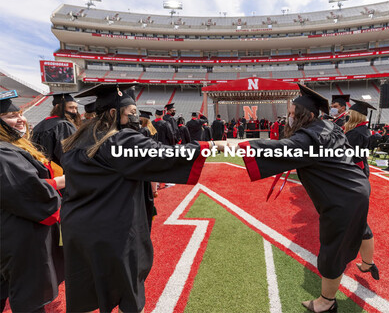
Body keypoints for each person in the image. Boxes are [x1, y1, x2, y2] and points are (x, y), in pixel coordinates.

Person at [61, 84, 223, 313]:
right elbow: (167, 155)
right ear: (113, 113)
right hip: (113, 227)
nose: (135, 117)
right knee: (129, 289)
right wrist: (209, 146)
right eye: (131, 112)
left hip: (78, 227)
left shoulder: (79, 138)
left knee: (87, 287)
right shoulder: (119, 141)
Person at [230, 84, 370, 312]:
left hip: (343, 197)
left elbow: (285, 148)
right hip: (355, 188)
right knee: (349, 237)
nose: (290, 118)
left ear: (308, 115)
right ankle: (366, 264)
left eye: (294, 114)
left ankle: (327, 302)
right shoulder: (328, 126)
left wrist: (238, 146)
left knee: (332, 249)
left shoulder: (310, 137)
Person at [0, 93, 65, 312]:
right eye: (10, 116)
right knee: (29, 296)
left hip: (14, 229)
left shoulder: (13, 146)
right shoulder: (3, 152)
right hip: (20, 234)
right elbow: (29, 192)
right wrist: (59, 183)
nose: (20, 119)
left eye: (20, 114)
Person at [343, 99, 380, 280]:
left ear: (355, 115)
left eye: (349, 113)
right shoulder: (363, 130)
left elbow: (350, 155)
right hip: (360, 171)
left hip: (354, 175)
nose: (347, 115)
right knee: (356, 218)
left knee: (357, 220)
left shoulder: (356, 132)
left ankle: (368, 262)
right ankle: (367, 263)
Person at [31, 92, 78, 166]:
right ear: (58, 107)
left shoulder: (41, 124)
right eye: (71, 107)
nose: (74, 111)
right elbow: (67, 153)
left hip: (42, 167)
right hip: (59, 170)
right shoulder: (63, 125)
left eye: (76, 108)